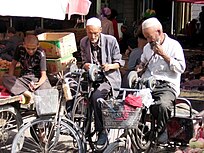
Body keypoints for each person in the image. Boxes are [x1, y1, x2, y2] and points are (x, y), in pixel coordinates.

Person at [137, 17, 186, 143]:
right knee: (135, 103)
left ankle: (161, 130)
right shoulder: (147, 48)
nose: (148, 40)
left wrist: (165, 55)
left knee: (163, 105)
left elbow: (181, 68)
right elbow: (143, 62)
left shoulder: (174, 46)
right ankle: (140, 130)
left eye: (149, 37)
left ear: (159, 32)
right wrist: (140, 67)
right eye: (146, 37)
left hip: (167, 84)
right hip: (149, 83)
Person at [80, 17, 125, 145]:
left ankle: (102, 131)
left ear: (100, 30)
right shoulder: (84, 42)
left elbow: (119, 63)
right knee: (75, 92)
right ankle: (82, 126)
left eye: (95, 33)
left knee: (96, 97)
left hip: (108, 78)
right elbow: (83, 61)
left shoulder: (111, 41)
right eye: (90, 33)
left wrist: (109, 66)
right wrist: (86, 65)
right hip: (91, 77)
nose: (93, 36)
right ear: (86, 31)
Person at [2, 35, 51, 104]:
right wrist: (11, 78)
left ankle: (24, 91)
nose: (31, 51)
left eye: (33, 49)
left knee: (46, 90)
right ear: (24, 45)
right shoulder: (19, 48)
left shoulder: (41, 53)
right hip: (24, 79)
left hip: (37, 79)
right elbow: (13, 64)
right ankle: (26, 92)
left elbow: (43, 75)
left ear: (38, 45)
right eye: (28, 48)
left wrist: (37, 84)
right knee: (5, 78)